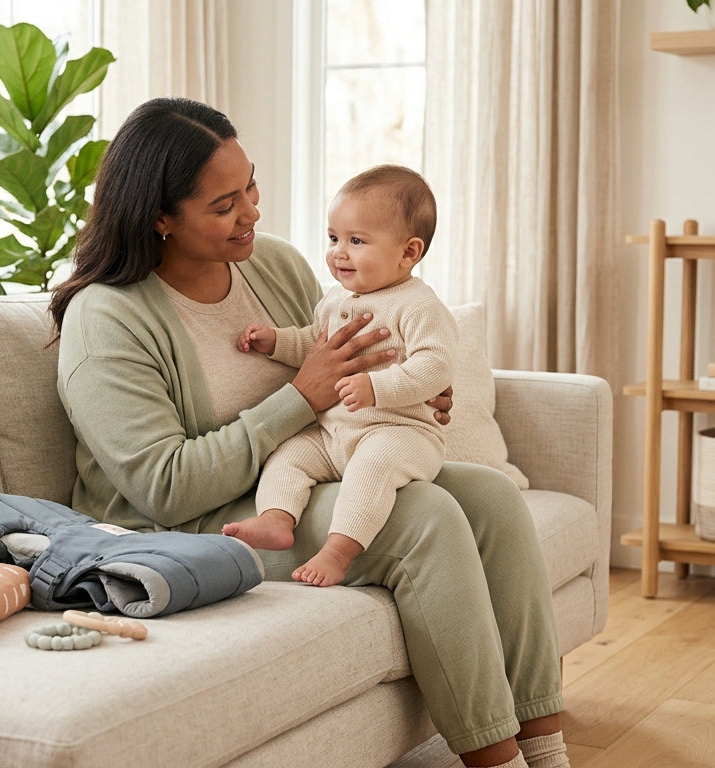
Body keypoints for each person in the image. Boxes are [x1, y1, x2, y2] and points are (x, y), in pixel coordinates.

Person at [48, 97, 569, 768]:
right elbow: (163, 489)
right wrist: (301, 397)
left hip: (309, 468)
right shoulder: (106, 319)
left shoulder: (275, 264)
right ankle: (495, 760)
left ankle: (548, 746)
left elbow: (350, 353)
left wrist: (408, 388)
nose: (253, 212)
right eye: (224, 204)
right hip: (181, 524)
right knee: (423, 518)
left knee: (491, 498)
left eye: (251, 186)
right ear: (159, 218)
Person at [223, 164, 457, 587]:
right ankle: (277, 517)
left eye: (356, 241)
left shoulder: (418, 306)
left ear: (409, 252)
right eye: (333, 239)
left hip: (400, 433)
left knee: (374, 468)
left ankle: (338, 552)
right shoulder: (335, 299)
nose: (338, 252)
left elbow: (435, 366)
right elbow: (317, 344)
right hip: (334, 435)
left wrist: (378, 386)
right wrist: (275, 341)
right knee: (289, 454)